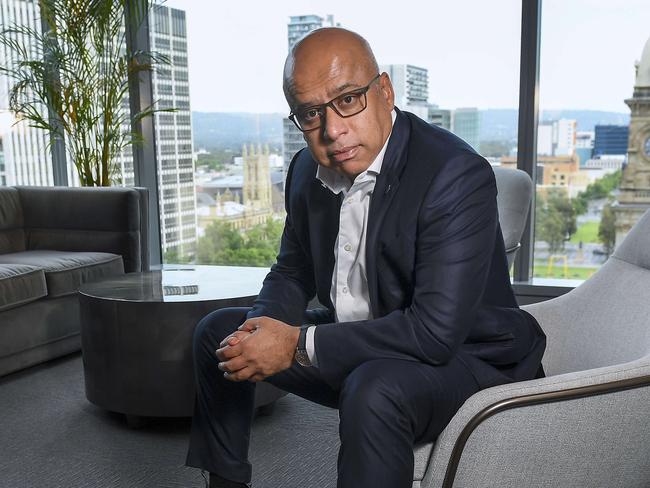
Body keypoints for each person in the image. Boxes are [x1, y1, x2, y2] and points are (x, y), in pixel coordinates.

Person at [186, 27, 546, 488]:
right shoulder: (304, 170)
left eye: (349, 100)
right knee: (219, 333)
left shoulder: (453, 174)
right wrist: (261, 331)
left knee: (374, 387)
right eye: (311, 113)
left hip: (470, 362)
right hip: (362, 342)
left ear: (385, 92)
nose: (332, 130)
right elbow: (292, 271)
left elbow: (434, 334)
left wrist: (295, 345)